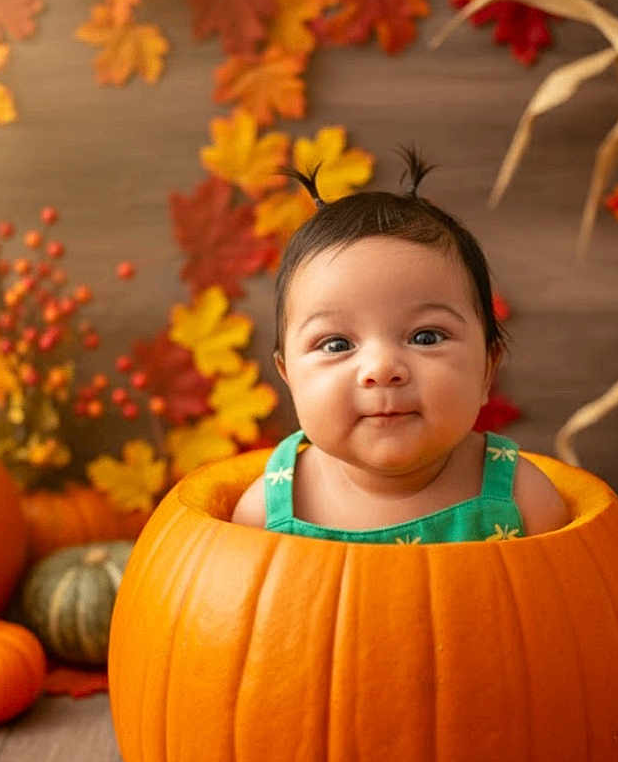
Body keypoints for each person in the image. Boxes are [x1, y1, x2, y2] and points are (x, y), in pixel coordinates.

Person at [231, 143, 571, 542]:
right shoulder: (265, 517)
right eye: (337, 344)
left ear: (487, 370)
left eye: (425, 337)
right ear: (289, 378)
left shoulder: (524, 504)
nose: (381, 368)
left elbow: (561, 603)